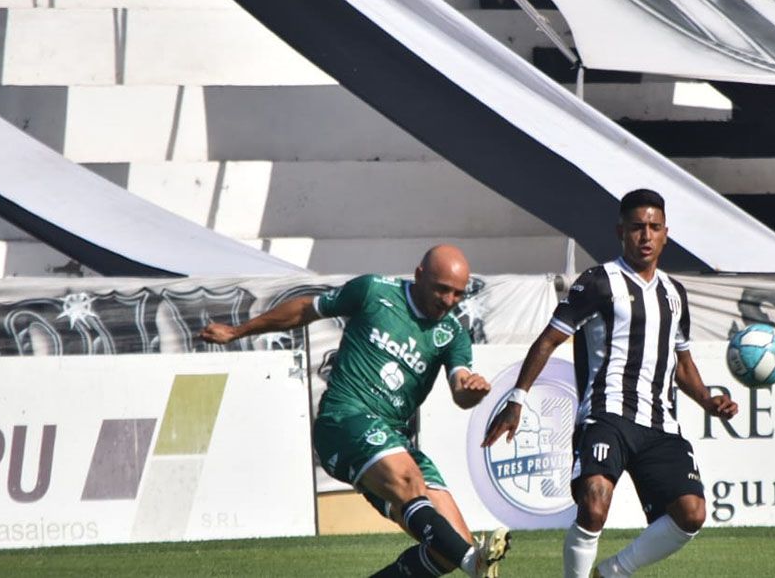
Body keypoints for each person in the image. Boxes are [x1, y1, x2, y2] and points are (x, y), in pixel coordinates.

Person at [201, 245, 510, 578]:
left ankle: (466, 557)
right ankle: (473, 562)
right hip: (343, 420)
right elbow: (305, 309)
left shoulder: (452, 334)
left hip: (394, 439)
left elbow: (460, 388)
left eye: (458, 294)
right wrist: (238, 331)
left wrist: (470, 391)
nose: (449, 300)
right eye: (442, 289)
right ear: (419, 275)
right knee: (411, 483)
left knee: (446, 548)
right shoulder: (373, 291)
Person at [482, 190, 739, 577]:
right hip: (606, 416)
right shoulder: (598, 282)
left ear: (666, 234)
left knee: (691, 514)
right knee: (594, 504)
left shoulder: (674, 294)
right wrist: (517, 399)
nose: (646, 236)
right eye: (637, 227)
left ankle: (612, 572)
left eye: (654, 227)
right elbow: (548, 340)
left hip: (660, 425)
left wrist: (707, 400)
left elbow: (682, 362)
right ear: (621, 232)